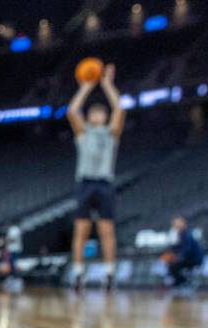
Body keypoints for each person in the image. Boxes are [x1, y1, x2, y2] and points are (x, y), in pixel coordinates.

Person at [67, 63, 125, 291]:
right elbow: (72, 111)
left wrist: (108, 85)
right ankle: (78, 273)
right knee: (81, 230)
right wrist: (87, 87)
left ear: (105, 116)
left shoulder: (111, 134)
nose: (97, 115)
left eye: (101, 112)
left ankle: (110, 274)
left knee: (106, 230)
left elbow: (120, 108)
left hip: (104, 183)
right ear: (89, 117)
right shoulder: (83, 133)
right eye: (93, 112)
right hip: (85, 183)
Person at [163, 216, 205, 292]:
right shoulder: (180, 234)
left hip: (194, 259)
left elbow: (187, 249)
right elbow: (177, 247)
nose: (175, 226)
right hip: (188, 258)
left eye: (177, 223)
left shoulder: (186, 234)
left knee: (174, 266)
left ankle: (183, 283)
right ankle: (180, 283)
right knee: (171, 264)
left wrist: (178, 257)